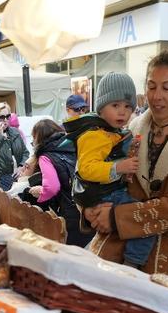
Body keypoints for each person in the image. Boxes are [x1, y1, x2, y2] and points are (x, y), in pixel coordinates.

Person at [83, 49, 168, 281]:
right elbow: (95, 171)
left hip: (167, 255)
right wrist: (89, 208)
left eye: (167, 87)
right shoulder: (131, 130)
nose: (156, 96)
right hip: (115, 251)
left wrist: (117, 217)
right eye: (151, 86)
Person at [64, 73, 155, 268]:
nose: (122, 112)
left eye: (128, 106)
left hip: (108, 194)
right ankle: (133, 263)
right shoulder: (94, 134)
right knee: (146, 224)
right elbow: (87, 168)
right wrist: (119, 167)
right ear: (101, 107)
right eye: (115, 106)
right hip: (107, 195)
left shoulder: (111, 132)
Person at [19, 119, 90, 247]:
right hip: (87, 208)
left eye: (33, 139)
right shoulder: (75, 147)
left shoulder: (46, 157)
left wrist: (39, 191)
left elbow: (52, 188)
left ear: (38, 138)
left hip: (69, 213)